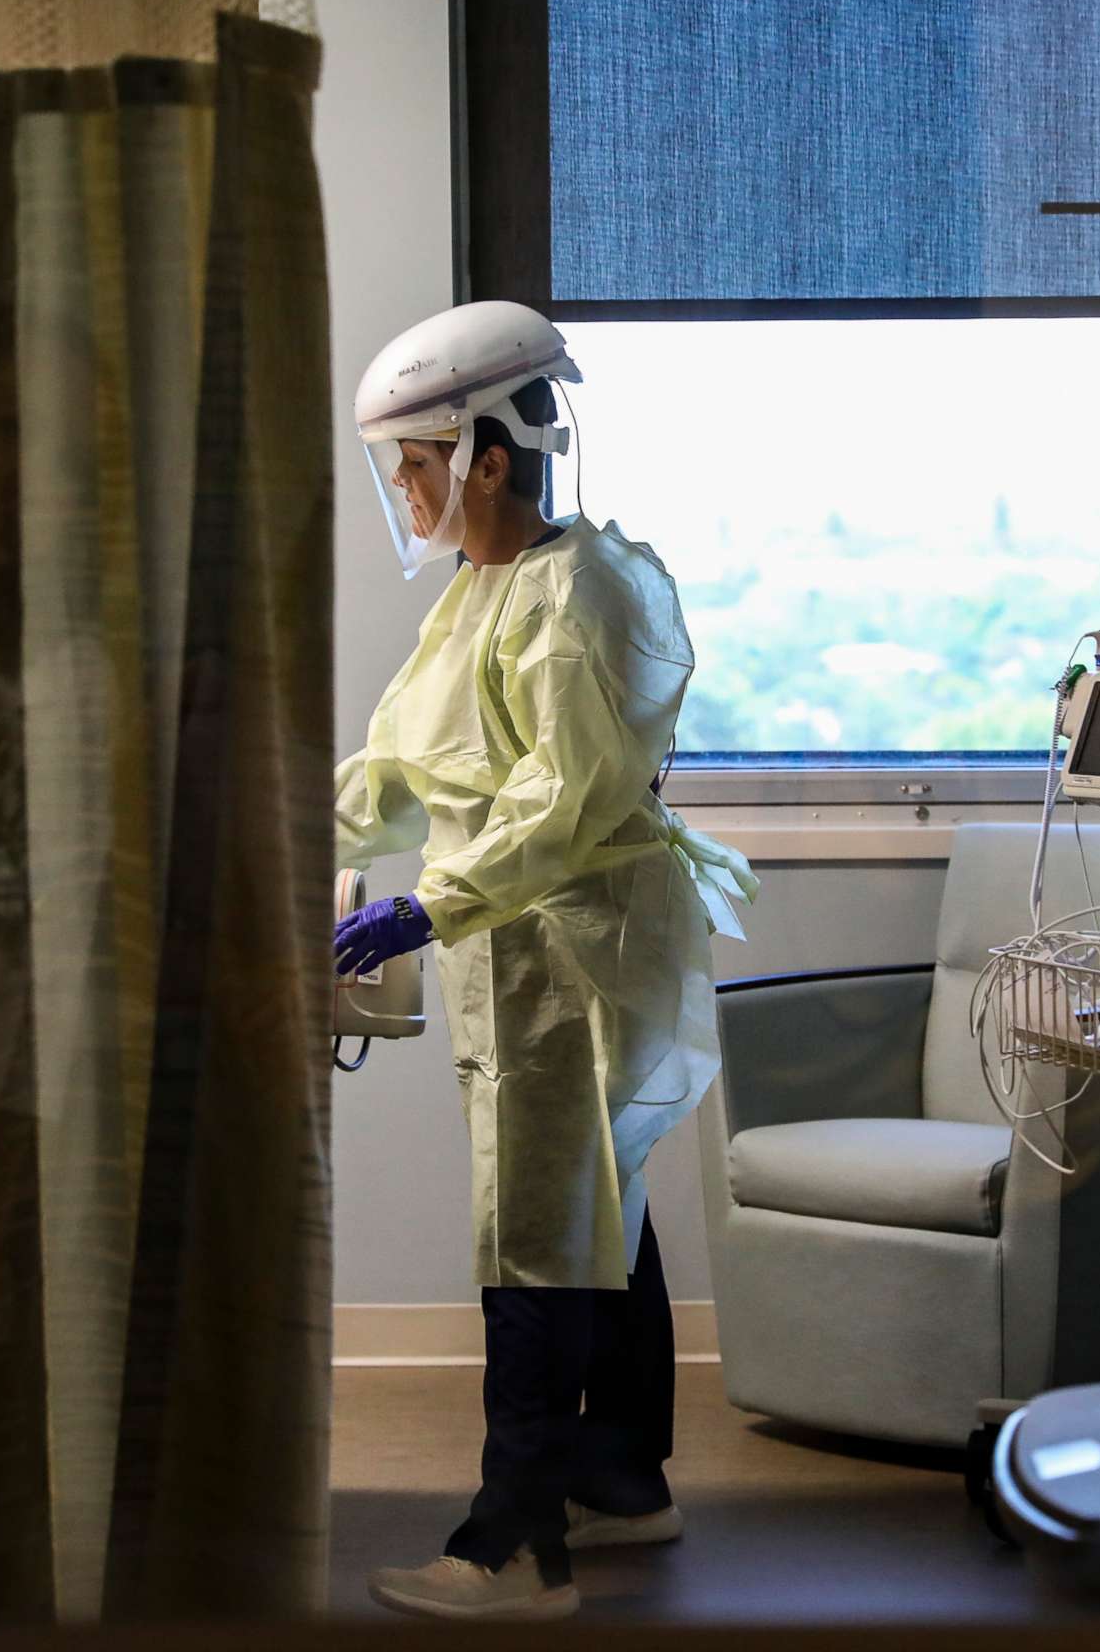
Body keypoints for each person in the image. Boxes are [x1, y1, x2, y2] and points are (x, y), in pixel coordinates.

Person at [333, 302, 758, 1622]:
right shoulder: (488, 589)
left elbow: (558, 800)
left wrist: (423, 908)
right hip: (522, 939)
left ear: (487, 455)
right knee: (595, 1213)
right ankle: (623, 1483)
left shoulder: (579, 594)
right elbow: (411, 770)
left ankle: (515, 1550)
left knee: (537, 1233)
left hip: (568, 953)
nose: (405, 495)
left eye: (413, 465)